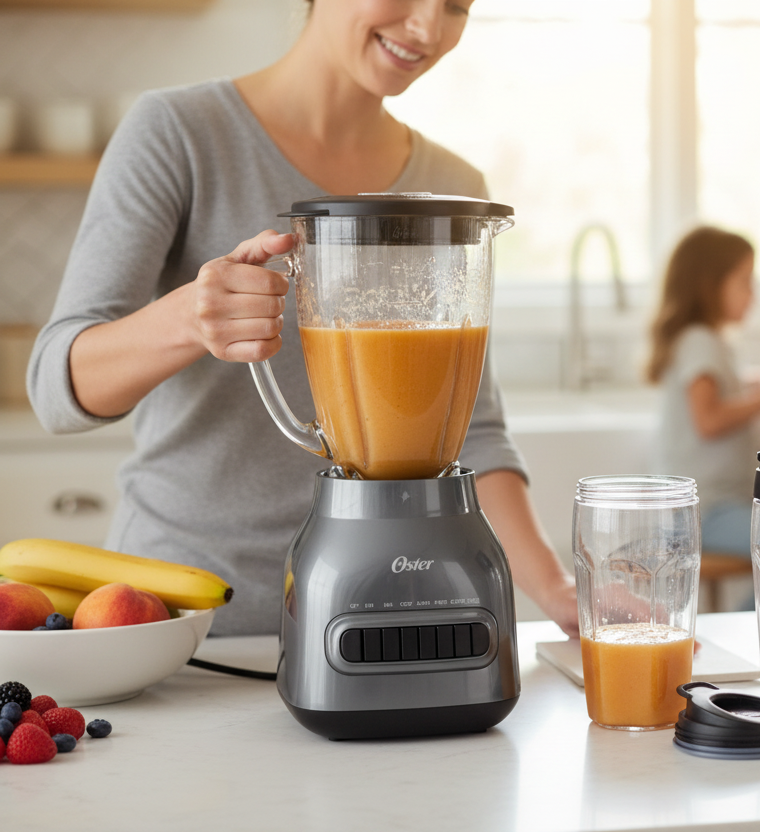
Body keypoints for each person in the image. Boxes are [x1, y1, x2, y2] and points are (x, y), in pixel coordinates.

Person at [26, 0, 578, 636]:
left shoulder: (450, 186)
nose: (429, 28)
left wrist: (557, 590)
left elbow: (472, 429)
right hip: (183, 623)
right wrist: (190, 319)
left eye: (456, 6)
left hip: (377, 617)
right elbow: (54, 387)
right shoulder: (180, 132)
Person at [646, 226, 760, 558]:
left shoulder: (702, 340)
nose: (754, 294)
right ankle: (755, 614)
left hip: (698, 507)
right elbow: (708, 419)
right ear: (710, 285)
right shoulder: (700, 341)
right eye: (745, 282)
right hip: (702, 511)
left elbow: (721, 391)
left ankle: (755, 613)